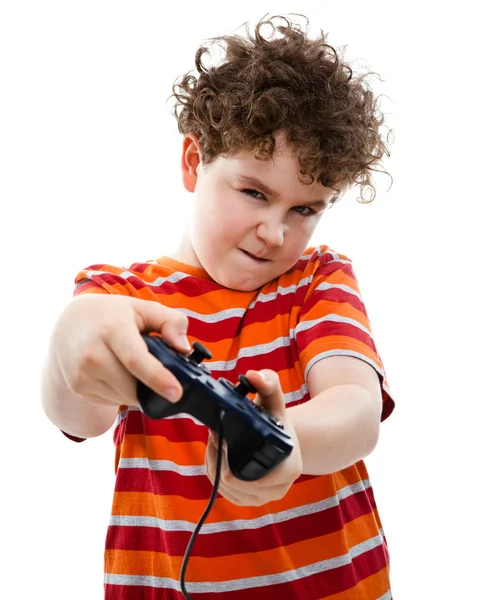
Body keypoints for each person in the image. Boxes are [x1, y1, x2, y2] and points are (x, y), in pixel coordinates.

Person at [41, 14, 395, 600]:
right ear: (192, 162)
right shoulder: (119, 297)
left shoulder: (316, 280)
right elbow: (80, 416)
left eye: (306, 209)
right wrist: (69, 341)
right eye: (255, 192)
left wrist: (291, 441)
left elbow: (356, 409)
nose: (276, 234)